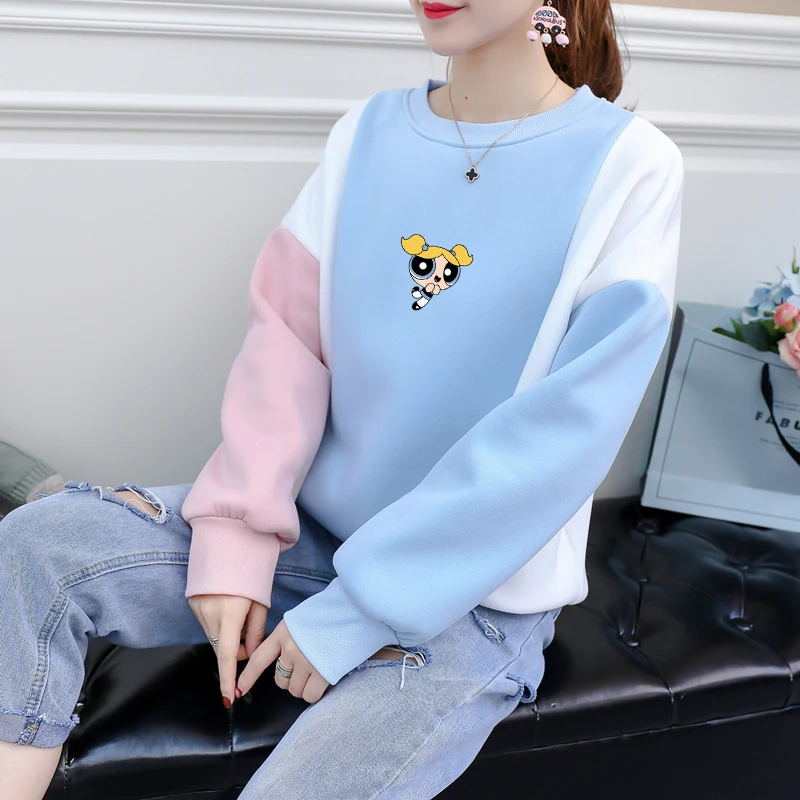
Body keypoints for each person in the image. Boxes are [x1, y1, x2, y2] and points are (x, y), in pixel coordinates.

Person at [0, 0, 684, 797]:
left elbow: (563, 437)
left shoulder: (631, 164)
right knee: (40, 546)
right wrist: (236, 535)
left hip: (471, 600)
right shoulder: (365, 133)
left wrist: (355, 615)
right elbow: (287, 347)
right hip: (313, 539)